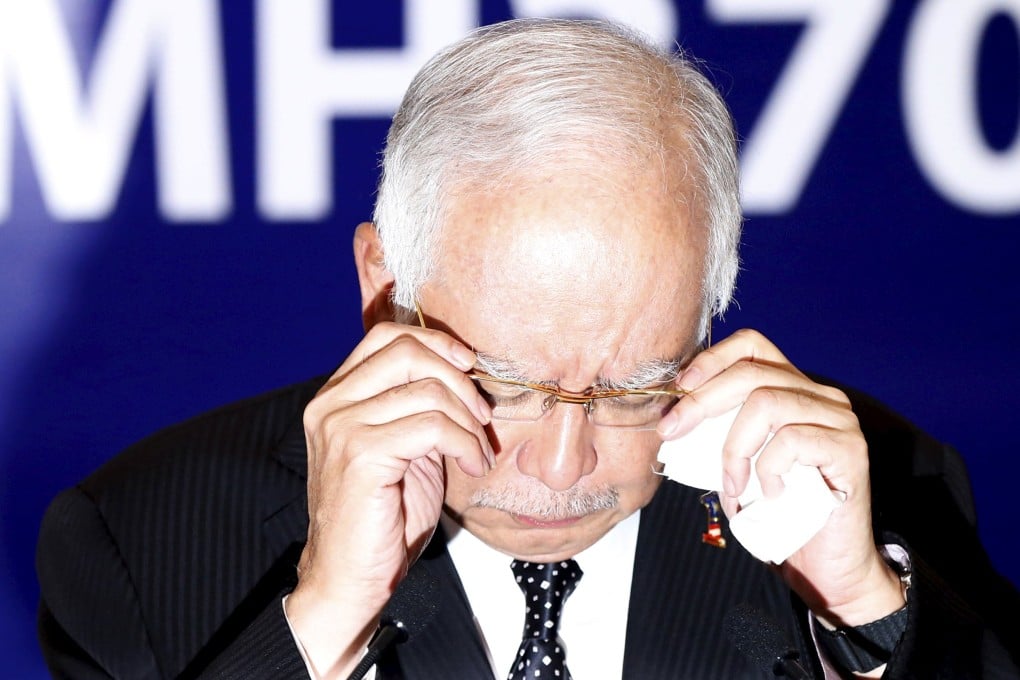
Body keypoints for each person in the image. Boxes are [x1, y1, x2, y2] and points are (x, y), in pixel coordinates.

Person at [36, 18, 1018, 680]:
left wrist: (866, 615)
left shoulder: (883, 491)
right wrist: (325, 616)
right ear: (384, 288)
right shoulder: (138, 540)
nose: (563, 465)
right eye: (506, 382)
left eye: (636, 385)